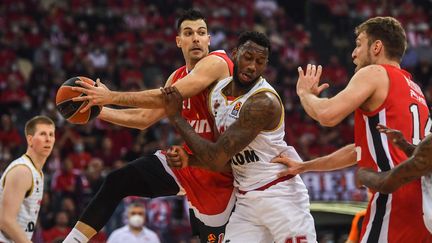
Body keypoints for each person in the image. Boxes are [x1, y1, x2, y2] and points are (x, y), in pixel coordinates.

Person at [63, 9, 235, 243]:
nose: (196, 37)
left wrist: (110, 96)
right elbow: (144, 118)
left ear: (208, 40)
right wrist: (99, 109)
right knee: (117, 180)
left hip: (221, 172)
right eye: (188, 32)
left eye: (201, 32)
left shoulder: (218, 62)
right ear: (178, 41)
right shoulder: (176, 76)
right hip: (186, 163)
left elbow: (169, 96)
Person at [274, 16, 432, 242]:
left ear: (376, 47)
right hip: (422, 204)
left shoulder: (375, 73)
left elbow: (327, 115)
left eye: (359, 44)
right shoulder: (416, 91)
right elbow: (357, 150)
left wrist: (304, 94)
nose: (353, 53)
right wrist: (305, 166)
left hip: (393, 200)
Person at [162, 31, 316, 243]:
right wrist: (191, 160)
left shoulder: (263, 102)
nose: (253, 66)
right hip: (246, 201)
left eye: (260, 62)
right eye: (248, 57)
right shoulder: (217, 93)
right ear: (235, 54)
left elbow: (215, 156)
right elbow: (222, 161)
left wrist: (176, 118)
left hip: (280, 197)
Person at [0, 115, 56, 243]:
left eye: (51, 134)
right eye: (42, 134)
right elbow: (5, 220)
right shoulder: (22, 171)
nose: (48, 139)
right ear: (30, 140)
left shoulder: (37, 172)